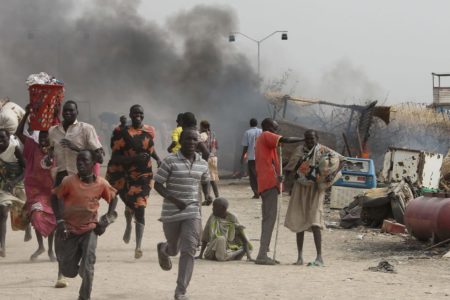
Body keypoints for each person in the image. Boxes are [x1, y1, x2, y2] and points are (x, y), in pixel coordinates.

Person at [48, 100, 104, 287]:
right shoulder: (53, 131)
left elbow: (99, 156)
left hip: (81, 183)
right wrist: (48, 157)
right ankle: (61, 273)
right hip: (61, 181)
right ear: (62, 112)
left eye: (72, 110)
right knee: (61, 223)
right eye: (66, 110)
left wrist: (76, 148)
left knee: (81, 224)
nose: (68, 113)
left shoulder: (86, 129)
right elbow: (50, 153)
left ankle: (80, 262)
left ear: (77, 112)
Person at [154, 128, 213, 300]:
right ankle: (164, 249)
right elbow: (157, 184)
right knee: (174, 249)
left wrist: (208, 194)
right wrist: (173, 200)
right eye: (187, 139)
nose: (191, 143)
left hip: (192, 211)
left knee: (189, 249)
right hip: (171, 213)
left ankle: (181, 291)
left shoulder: (202, 163)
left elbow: (205, 180)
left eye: (195, 140)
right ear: (180, 140)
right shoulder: (170, 161)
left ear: (198, 142)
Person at [53, 150, 117, 300]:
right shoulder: (69, 182)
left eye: (84, 161)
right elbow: (54, 196)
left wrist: (106, 219)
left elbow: (114, 198)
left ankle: (84, 296)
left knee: (88, 266)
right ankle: (79, 267)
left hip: (90, 229)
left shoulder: (101, 183)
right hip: (69, 231)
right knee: (68, 271)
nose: (80, 163)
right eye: (78, 161)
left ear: (93, 164)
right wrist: (60, 220)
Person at [109, 104, 161, 259]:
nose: (138, 115)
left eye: (140, 113)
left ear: (143, 115)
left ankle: (138, 246)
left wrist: (158, 159)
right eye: (135, 113)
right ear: (130, 115)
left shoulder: (150, 131)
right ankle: (128, 224)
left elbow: (150, 148)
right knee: (130, 204)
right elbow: (115, 157)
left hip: (144, 175)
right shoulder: (121, 133)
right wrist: (133, 158)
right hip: (126, 174)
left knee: (141, 206)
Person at [284, 130, 343, 266]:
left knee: (315, 221)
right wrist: (286, 181)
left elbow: (342, 160)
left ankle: (319, 257)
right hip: (300, 187)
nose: (310, 141)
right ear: (304, 139)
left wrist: (332, 175)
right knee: (299, 220)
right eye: (307, 139)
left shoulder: (323, 150)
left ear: (317, 138)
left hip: (316, 189)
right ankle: (299, 257)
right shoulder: (299, 150)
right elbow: (291, 168)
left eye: (312, 139)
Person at [254, 118, 303, 265]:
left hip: (270, 181)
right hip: (269, 183)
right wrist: (302, 138)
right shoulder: (266, 135)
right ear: (268, 127)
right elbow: (286, 139)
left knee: (268, 218)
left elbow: (271, 162)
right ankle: (262, 255)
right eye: (275, 128)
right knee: (269, 219)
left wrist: (278, 175)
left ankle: (264, 252)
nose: (277, 131)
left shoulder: (265, 140)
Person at [16, 106, 56, 261]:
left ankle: (51, 250)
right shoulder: (33, 147)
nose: (44, 139)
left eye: (47, 137)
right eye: (42, 137)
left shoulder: (55, 150)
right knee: (37, 215)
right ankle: (40, 246)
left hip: (52, 192)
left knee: (52, 219)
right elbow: (19, 133)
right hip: (36, 191)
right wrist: (26, 113)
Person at [0, 128, 29, 257]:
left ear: (8, 138)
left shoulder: (14, 148)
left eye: (3, 138)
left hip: (18, 183)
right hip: (3, 185)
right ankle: (3, 247)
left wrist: (13, 182)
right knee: (3, 213)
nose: (0, 141)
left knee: (25, 210)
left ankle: (27, 228)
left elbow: (26, 169)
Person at [197, 197, 252, 261]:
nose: (212, 209)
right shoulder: (212, 217)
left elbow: (243, 238)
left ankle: (227, 255)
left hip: (225, 249)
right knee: (221, 239)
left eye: (214, 207)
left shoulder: (232, 218)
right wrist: (200, 255)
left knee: (246, 240)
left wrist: (249, 256)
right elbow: (205, 237)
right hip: (211, 252)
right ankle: (227, 256)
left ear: (223, 209)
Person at [241, 118, 262, 199]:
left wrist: (242, 156)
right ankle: (261, 191)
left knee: (253, 176)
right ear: (257, 123)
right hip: (261, 157)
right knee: (260, 174)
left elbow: (245, 146)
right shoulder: (261, 131)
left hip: (251, 157)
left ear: (250, 124)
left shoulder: (247, 132)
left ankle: (256, 193)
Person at [199, 120, 219, 199]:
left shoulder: (202, 135)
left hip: (206, 158)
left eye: (200, 126)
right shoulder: (213, 134)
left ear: (203, 127)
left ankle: (207, 197)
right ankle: (217, 197)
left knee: (205, 179)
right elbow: (216, 146)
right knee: (213, 179)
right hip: (214, 157)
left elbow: (200, 146)